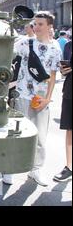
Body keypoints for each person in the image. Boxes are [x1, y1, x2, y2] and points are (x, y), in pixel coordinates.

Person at [3, 12, 62, 186]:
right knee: (16, 134)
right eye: (34, 24)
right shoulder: (25, 43)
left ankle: (35, 170)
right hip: (22, 95)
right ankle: (9, 169)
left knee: (40, 137)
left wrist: (48, 99)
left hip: (40, 99)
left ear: (50, 26)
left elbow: (52, 75)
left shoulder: (55, 47)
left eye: (40, 24)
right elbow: (8, 54)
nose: (35, 27)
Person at [53, 40, 72, 182]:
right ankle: (69, 167)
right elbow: (65, 70)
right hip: (70, 92)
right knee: (70, 130)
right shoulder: (69, 45)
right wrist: (64, 70)